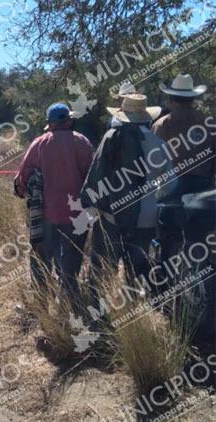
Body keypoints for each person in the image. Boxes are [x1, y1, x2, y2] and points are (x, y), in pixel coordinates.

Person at [81, 94, 175, 296]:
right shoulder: (157, 143)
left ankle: (98, 312)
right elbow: (170, 184)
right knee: (136, 270)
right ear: (146, 116)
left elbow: (95, 176)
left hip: (111, 216)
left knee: (103, 268)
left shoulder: (110, 138)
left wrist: (92, 207)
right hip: (146, 219)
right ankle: (131, 314)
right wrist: (154, 198)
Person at [16, 103, 94, 308]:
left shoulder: (39, 143)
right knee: (71, 261)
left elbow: (22, 180)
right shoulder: (83, 142)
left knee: (40, 257)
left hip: (46, 214)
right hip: (78, 215)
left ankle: (42, 302)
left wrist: (23, 190)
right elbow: (92, 179)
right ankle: (70, 301)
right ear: (69, 121)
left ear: (50, 124)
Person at [152, 74, 215, 197]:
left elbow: (153, 160)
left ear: (171, 99)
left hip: (171, 185)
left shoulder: (161, 125)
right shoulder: (209, 122)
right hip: (203, 186)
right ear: (192, 99)